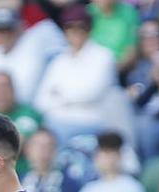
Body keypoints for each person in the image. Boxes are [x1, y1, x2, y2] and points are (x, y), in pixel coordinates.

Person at [34, 5, 120, 145]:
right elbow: (40, 100)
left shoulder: (103, 56)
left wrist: (59, 94)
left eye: (81, 26)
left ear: (89, 28)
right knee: (39, 137)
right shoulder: (59, 60)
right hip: (58, 121)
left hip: (94, 123)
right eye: (70, 27)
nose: (75, 32)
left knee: (51, 137)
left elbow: (90, 93)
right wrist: (70, 97)